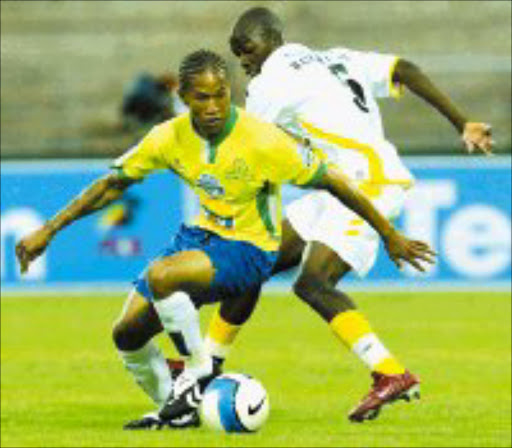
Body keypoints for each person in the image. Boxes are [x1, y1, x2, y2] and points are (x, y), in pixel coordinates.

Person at [15, 49, 434, 430]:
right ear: (184, 96)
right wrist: (48, 230)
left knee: (163, 276)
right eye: (201, 97)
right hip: (197, 238)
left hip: (249, 250)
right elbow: (111, 185)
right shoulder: (168, 137)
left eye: (220, 95)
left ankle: (196, 376)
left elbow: (336, 183)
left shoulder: (264, 140)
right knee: (126, 334)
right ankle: (176, 411)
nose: (213, 106)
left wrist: (389, 233)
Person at [196, 7, 494, 424]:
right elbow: (404, 69)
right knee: (257, 258)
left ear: (270, 40)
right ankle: (206, 368)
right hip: (335, 187)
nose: (242, 59)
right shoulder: (335, 57)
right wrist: (462, 122)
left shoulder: (271, 84)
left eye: (246, 48)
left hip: (365, 185)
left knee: (314, 284)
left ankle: (390, 372)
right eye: (236, 52)